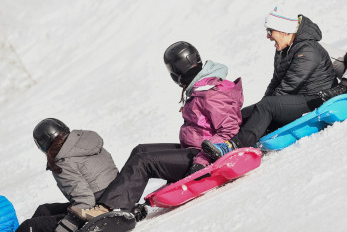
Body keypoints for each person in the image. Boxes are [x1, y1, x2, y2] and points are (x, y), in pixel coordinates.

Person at [72, 42, 243, 221]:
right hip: (194, 150)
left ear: (176, 75)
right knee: (141, 150)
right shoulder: (201, 86)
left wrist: (201, 161)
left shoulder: (208, 92)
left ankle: (108, 210)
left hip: (202, 157)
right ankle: (113, 200)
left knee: (144, 161)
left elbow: (229, 129)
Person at [202, 4, 337, 161]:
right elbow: (276, 81)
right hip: (297, 97)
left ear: (283, 30)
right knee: (244, 113)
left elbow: (289, 87)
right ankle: (215, 145)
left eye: (270, 31)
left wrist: (265, 111)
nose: (268, 36)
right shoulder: (283, 49)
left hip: (316, 99)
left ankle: (233, 146)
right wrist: (260, 110)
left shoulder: (307, 50)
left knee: (267, 107)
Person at [16, 119, 118, 232]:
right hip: (114, 193)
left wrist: (63, 229)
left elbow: (85, 201)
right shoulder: (84, 143)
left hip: (97, 209)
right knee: (43, 210)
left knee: (28, 227)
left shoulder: (62, 161)